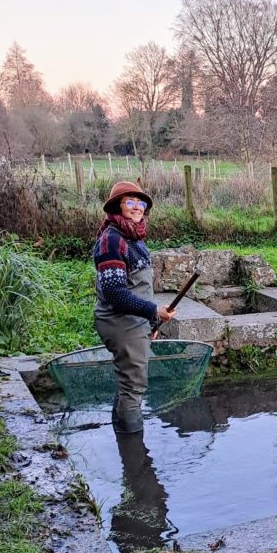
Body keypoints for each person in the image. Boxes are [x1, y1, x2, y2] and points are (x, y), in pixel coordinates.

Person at [93, 181, 175, 434]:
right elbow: (116, 294)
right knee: (133, 385)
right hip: (120, 322)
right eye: (130, 202)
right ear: (117, 207)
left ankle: (122, 433)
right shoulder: (112, 241)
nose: (137, 207)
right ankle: (134, 449)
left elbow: (138, 288)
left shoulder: (134, 239)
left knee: (127, 381)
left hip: (134, 322)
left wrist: (150, 323)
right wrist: (152, 312)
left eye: (141, 203)